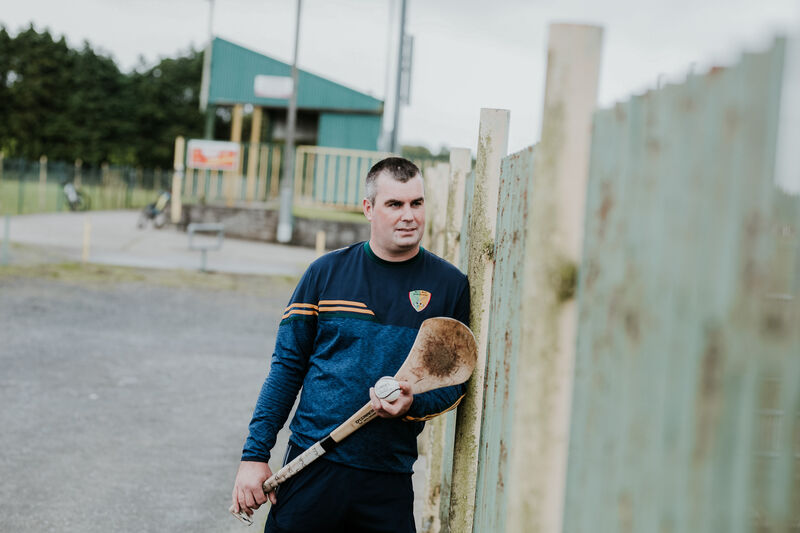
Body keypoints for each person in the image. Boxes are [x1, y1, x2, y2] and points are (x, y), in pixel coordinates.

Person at [231, 157, 470, 533]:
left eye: (417, 203)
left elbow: (456, 384)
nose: (409, 216)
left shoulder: (450, 285)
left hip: (388, 477)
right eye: (395, 204)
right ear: (368, 208)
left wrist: (413, 404)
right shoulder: (325, 274)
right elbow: (286, 368)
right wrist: (254, 455)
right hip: (312, 465)